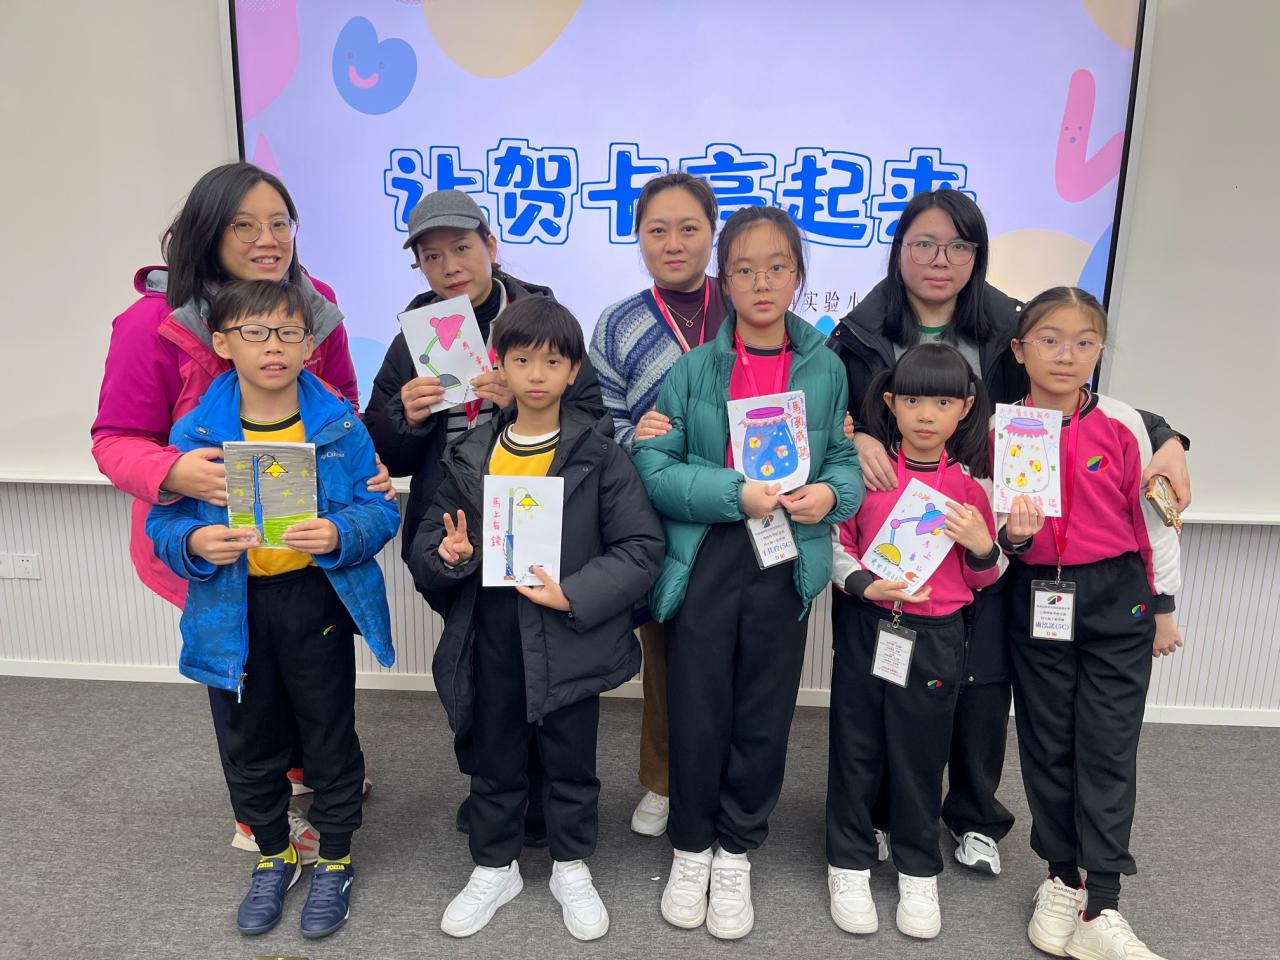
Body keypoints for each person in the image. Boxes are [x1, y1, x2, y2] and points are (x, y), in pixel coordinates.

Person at [825, 189, 1190, 874]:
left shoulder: (1009, 323)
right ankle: (883, 815)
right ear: (898, 249)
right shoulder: (857, 332)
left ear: (977, 254)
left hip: (989, 529)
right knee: (883, 683)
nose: (940, 259)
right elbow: (829, 415)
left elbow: (1075, 394)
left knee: (983, 684)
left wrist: (1168, 436)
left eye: (958, 246)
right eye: (923, 244)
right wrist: (856, 440)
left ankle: (974, 816)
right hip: (894, 531)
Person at [91, 161, 388, 860]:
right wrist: (174, 470)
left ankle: (308, 771)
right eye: (244, 225)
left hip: (304, 543)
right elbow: (115, 438)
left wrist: (360, 462)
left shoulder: (313, 303)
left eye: (279, 223)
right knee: (243, 677)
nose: (267, 239)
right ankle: (259, 818)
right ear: (207, 232)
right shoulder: (151, 322)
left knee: (310, 669)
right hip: (212, 539)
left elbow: (341, 403)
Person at [633, 206, 863, 940]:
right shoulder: (694, 369)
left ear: (798, 277)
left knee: (764, 711)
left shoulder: (826, 367)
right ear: (723, 280)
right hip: (709, 552)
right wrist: (735, 493)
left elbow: (844, 462)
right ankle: (691, 847)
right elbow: (655, 468)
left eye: (777, 268)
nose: (762, 283)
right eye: (744, 269)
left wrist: (830, 495)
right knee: (697, 707)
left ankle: (735, 851)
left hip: (785, 557)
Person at [145, 280, 399, 938]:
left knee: (329, 731)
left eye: (288, 333)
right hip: (231, 608)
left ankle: (335, 856)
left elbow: (380, 511)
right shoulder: (195, 431)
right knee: (249, 739)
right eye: (254, 333)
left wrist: (340, 531)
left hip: (314, 598)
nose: (273, 347)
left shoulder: (339, 424)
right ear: (222, 342)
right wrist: (195, 541)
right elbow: (162, 527)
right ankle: (273, 855)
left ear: (310, 344)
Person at [409, 298, 664, 941]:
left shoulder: (599, 454)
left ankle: (571, 866)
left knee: (571, 760)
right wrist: (451, 554)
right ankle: (495, 868)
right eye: (522, 360)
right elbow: (430, 539)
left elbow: (641, 548)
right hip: (492, 632)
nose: (537, 375)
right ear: (500, 365)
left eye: (553, 362)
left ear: (574, 370)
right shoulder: (472, 451)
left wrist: (572, 594)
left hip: (569, 635)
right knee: (494, 756)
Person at [364, 188, 606, 847]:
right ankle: (494, 788)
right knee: (478, 664)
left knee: (540, 659)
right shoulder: (412, 339)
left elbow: (595, 425)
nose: (450, 267)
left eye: (462, 248)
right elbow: (381, 448)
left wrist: (526, 403)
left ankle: (545, 796)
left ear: (491, 247)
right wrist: (405, 417)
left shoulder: (540, 321)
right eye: (431, 257)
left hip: (539, 523)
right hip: (453, 530)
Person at [1003, 287, 1182, 960]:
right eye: (1049, 340)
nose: (1066, 355)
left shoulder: (1126, 423)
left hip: (1117, 596)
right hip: (1036, 595)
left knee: (1107, 747)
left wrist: (1164, 605)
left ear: (1100, 351)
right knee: (1048, 741)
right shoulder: (1002, 428)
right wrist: (1015, 537)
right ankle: (1060, 877)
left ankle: (1102, 902)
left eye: (1083, 343)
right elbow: (990, 527)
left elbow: (1158, 520)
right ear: (1019, 350)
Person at [827, 343, 1027, 940]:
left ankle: (917, 866)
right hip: (868, 622)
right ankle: (848, 860)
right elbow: (835, 544)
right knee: (856, 745)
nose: (925, 415)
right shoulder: (867, 475)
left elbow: (986, 578)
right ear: (890, 403)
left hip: (938, 634)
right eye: (913, 400)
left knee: (922, 752)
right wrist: (864, 583)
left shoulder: (970, 491)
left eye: (942, 403)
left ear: (965, 408)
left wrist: (983, 546)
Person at [588, 171, 728, 837]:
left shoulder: (746, 305)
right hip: (659, 514)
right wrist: (631, 436)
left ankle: (728, 780)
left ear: (713, 233)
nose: (673, 243)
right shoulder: (619, 322)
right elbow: (597, 418)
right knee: (668, 652)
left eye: (689, 228)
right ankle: (664, 780)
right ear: (639, 238)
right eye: (657, 230)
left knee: (740, 656)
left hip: (748, 508)